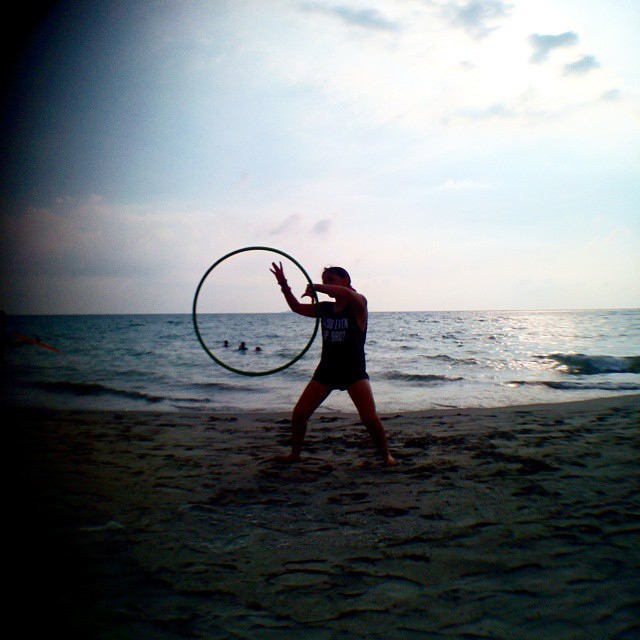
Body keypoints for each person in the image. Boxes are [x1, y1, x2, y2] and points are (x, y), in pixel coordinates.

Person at [270, 262, 397, 466]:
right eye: (324, 280)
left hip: (353, 371)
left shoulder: (359, 303)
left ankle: (385, 456)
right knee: (299, 415)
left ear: (345, 280)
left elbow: (346, 294)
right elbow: (296, 307)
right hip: (327, 370)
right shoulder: (326, 308)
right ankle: (295, 454)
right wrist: (283, 284)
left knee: (369, 419)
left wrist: (317, 287)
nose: (327, 283)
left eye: (331, 280)